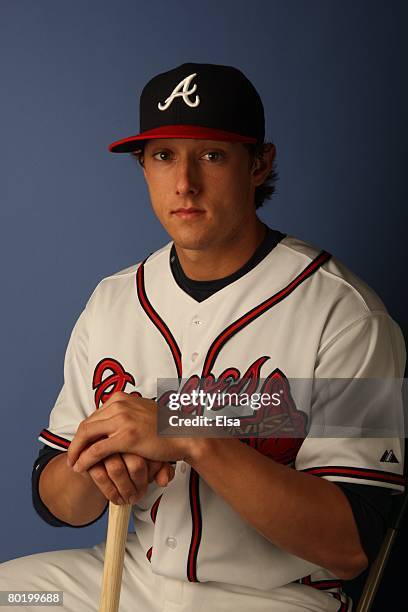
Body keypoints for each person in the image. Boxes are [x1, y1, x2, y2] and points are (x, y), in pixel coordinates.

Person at [0, 62, 405, 612]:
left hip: (274, 599)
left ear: (260, 164)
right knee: (14, 596)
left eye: (211, 155)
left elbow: (353, 546)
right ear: (144, 167)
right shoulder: (113, 300)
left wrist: (185, 428)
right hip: (128, 578)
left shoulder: (345, 313)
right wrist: (101, 467)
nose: (184, 182)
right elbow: (56, 504)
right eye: (164, 156)